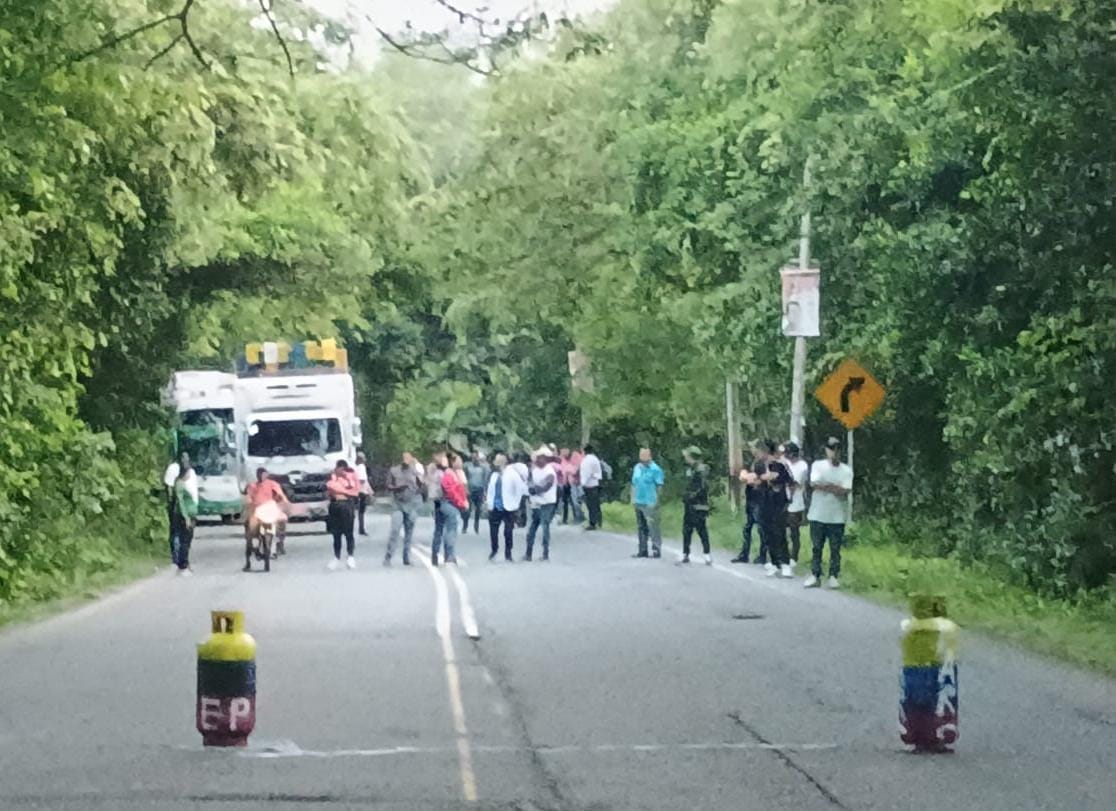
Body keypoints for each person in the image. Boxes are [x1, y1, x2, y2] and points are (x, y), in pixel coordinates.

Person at [804, 436, 854, 589]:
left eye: (836, 449)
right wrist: (834, 487)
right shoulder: (818, 465)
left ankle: (833, 575)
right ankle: (815, 574)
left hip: (837, 516)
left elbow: (845, 490)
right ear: (826, 450)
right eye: (831, 449)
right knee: (816, 547)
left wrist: (828, 486)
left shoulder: (846, 470)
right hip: (818, 514)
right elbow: (814, 483)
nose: (834, 452)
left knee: (835, 548)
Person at [740, 439, 793, 578]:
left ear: (764, 451)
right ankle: (775, 563)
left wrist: (759, 478)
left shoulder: (778, 465)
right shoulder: (759, 465)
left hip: (779, 503)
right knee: (767, 534)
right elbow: (752, 479)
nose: (756, 454)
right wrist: (756, 478)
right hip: (763, 502)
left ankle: (786, 563)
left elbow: (776, 477)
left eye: (758, 451)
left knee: (779, 533)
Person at [243, 467, 289, 571]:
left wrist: (281, 501)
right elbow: (248, 499)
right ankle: (249, 557)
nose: (261, 476)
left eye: (263, 474)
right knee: (250, 528)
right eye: (259, 474)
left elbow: (281, 495)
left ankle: (279, 544)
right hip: (258, 511)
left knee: (280, 524)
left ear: (266, 475)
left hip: (269, 509)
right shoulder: (252, 485)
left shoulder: (272, 484)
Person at [486, 453, 528, 561]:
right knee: (493, 531)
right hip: (495, 506)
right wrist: (489, 502)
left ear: (503, 462)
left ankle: (508, 553)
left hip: (508, 507)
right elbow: (490, 490)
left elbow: (519, 489)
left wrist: (516, 503)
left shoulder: (512, 474)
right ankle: (494, 549)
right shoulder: (494, 475)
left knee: (508, 531)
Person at [385, 451, 424, 566]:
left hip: (412, 504)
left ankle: (406, 557)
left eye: (408, 458)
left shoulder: (415, 472)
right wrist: (398, 488)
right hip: (398, 504)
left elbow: (421, 486)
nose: (406, 460)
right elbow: (388, 486)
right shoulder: (394, 471)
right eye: (404, 458)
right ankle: (388, 556)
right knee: (395, 530)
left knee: (409, 532)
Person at [525, 446, 559, 561]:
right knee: (532, 527)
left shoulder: (550, 471)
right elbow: (530, 482)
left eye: (540, 457)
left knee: (545, 526)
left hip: (547, 503)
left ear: (545, 458)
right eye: (537, 457)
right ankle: (528, 553)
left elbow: (547, 485)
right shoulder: (535, 470)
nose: (537, 459)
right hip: (536, 502)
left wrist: (535, 489)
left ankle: (545, 553)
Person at [326, 460, 361, 570]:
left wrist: (344, 491)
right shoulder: (332, 477)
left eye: (344, 469)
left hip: (347, 505)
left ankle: (350, 556)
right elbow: (330, 487)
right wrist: (345, 491)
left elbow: (356, 491)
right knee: (336, 534)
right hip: (335, 505)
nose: (342, 471)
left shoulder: (351, 477)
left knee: (348, 532)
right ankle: (336, 557)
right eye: (340, 468)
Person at [731, 447, 764, 565]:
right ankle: (744, 554)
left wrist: (750, 478)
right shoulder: (752, 461)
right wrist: (749, 477)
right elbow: (742, 475)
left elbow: (755, 479)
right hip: (750, 498)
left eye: (756, 449)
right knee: (747, 528)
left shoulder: (763, 464)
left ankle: (763, 555)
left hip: (760, 499)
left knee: (761, 529)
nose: (754, 452)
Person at [630, 447, 665, 558]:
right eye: (642, 459)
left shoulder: (655, 469)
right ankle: (643, 549)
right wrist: (632, 498)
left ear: (650, 457)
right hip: (639, 501)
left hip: (650, 502)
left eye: (645, 459)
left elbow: (659, 486)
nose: (643, 462)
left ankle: (656, 549)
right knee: (641, 527)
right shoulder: (637, 468)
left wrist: (657, 501)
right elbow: (633, 483)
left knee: (653, 526)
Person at [680, 446, 712, 565]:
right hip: (690, 504)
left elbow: (702, 487)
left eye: (687, 456)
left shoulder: (701, 469)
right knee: (687, 530)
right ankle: (685, 553)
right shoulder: (690, 469)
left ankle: (707, 554)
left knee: (701, 529)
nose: (685, 458)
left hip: (699, 504)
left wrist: (692, 496)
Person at [436, 453, 467, 566]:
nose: (460, 463)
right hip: (449, 504)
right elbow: (452, 492)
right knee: (451, 530)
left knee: (451, 529)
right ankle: (449, 555)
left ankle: (449, 554)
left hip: (452, 504)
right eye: (458, 461)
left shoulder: (455, 474)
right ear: (452, 462)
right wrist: (460, 503)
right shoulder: (449, 475)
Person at [170, 459, 199, 576]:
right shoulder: (180, 484)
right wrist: (186, 517)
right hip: (184, 517)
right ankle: (183, 566)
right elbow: (181, 502)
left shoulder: (182, 484)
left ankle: (185, 564)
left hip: (189, 515)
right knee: (184, 541)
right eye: (188, 474)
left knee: (187, 541)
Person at [783, 441, 809, 567]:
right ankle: (784, 555)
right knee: (782, 530)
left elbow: (796, 484)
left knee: (794, 532)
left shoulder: (802, 466)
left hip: (796, 503)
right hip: (783, 501)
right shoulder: (785, 464)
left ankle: (794, 556)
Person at [163, 451, 189, 564]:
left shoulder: (187, 470)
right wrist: (171, 502)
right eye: (184, 458)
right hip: (175, 502)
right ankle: (175, 554)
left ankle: (181, 554)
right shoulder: (173, 468)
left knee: (182, 531)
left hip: (184, 502)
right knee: (175, 530)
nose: (186, 460)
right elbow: (169, 487)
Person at [426, 451, 448, 554]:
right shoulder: (438, 471)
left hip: (437, 499)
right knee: (443, 528)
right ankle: (445, 553)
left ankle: (436, 553)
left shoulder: (434, 470)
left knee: (440, 528)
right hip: (441, 499)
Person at [463, 450, 490, 533]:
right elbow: (465, 479)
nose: (475, 459)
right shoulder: (468, 467)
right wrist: (465, 489)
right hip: (470, 490)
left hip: (479, 490)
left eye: (476, 457)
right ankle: (465, 526)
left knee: (478, 509)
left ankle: (476, 526)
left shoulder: (483, 468)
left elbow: (485, 479)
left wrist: (485, 491)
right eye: (473, 457)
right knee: (468, 509)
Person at [579, 445, 604, 530]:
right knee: (596, 504)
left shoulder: (587, 460)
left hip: (589, 485)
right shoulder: (595, 459)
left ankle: (592, 523)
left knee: (591, 505)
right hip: (596, 484)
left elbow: (586, 473)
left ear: (584, 451)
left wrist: (582, 483)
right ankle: (599, 521)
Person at [354, 452, 372, 536]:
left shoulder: (355, 467)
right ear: (361, 459)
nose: (365, 459)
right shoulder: (361, 467)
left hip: (357, 491)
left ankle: (361, 528)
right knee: (361, 511)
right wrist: (368, 490)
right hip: (361, 491)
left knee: (360, 511)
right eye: (364, 458)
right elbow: (363, 480)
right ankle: (361, 528)